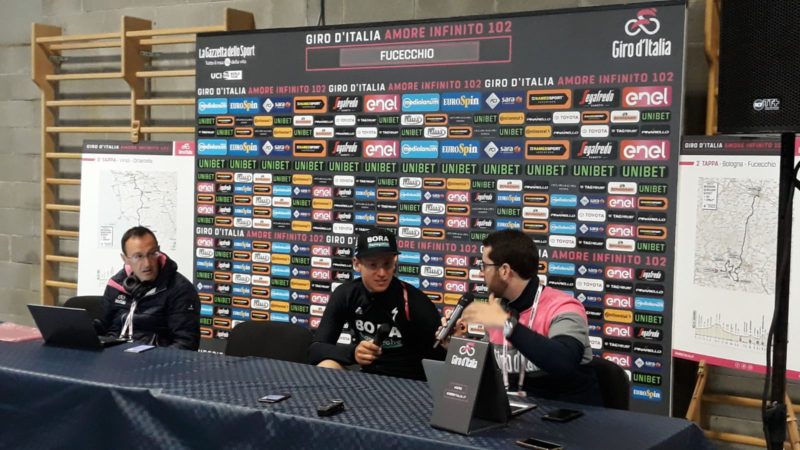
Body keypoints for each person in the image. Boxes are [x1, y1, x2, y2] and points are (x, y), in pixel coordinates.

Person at [451, 229, 602, 406]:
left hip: (569, 416)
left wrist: (506, 325)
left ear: (504, 270)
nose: (480, 273)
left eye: (484, 266)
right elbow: (484, 373)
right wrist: (457, 346)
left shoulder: (563, 307)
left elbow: (563, 361)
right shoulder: (499, 308)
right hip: (514, 412)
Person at [309, 228, 446, 380]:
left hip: (410, 383)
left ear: (394, 262)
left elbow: (440, 357)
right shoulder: (346, 294)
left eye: (387, 264)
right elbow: (316, 350)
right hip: (367, 379)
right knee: (326, 366)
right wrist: (353, 353)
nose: (382, 273)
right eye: (373, 265)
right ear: (357, 264)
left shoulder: (415, 301)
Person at [97, 226, 200, 350]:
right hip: (113, 355)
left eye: (152, 254)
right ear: (125, 259)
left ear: (159, 251)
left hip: (155, 359)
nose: (147, 264)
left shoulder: (180, 289)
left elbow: (186, 344)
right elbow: (101, 328)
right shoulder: (116, 284)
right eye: (138, 256)